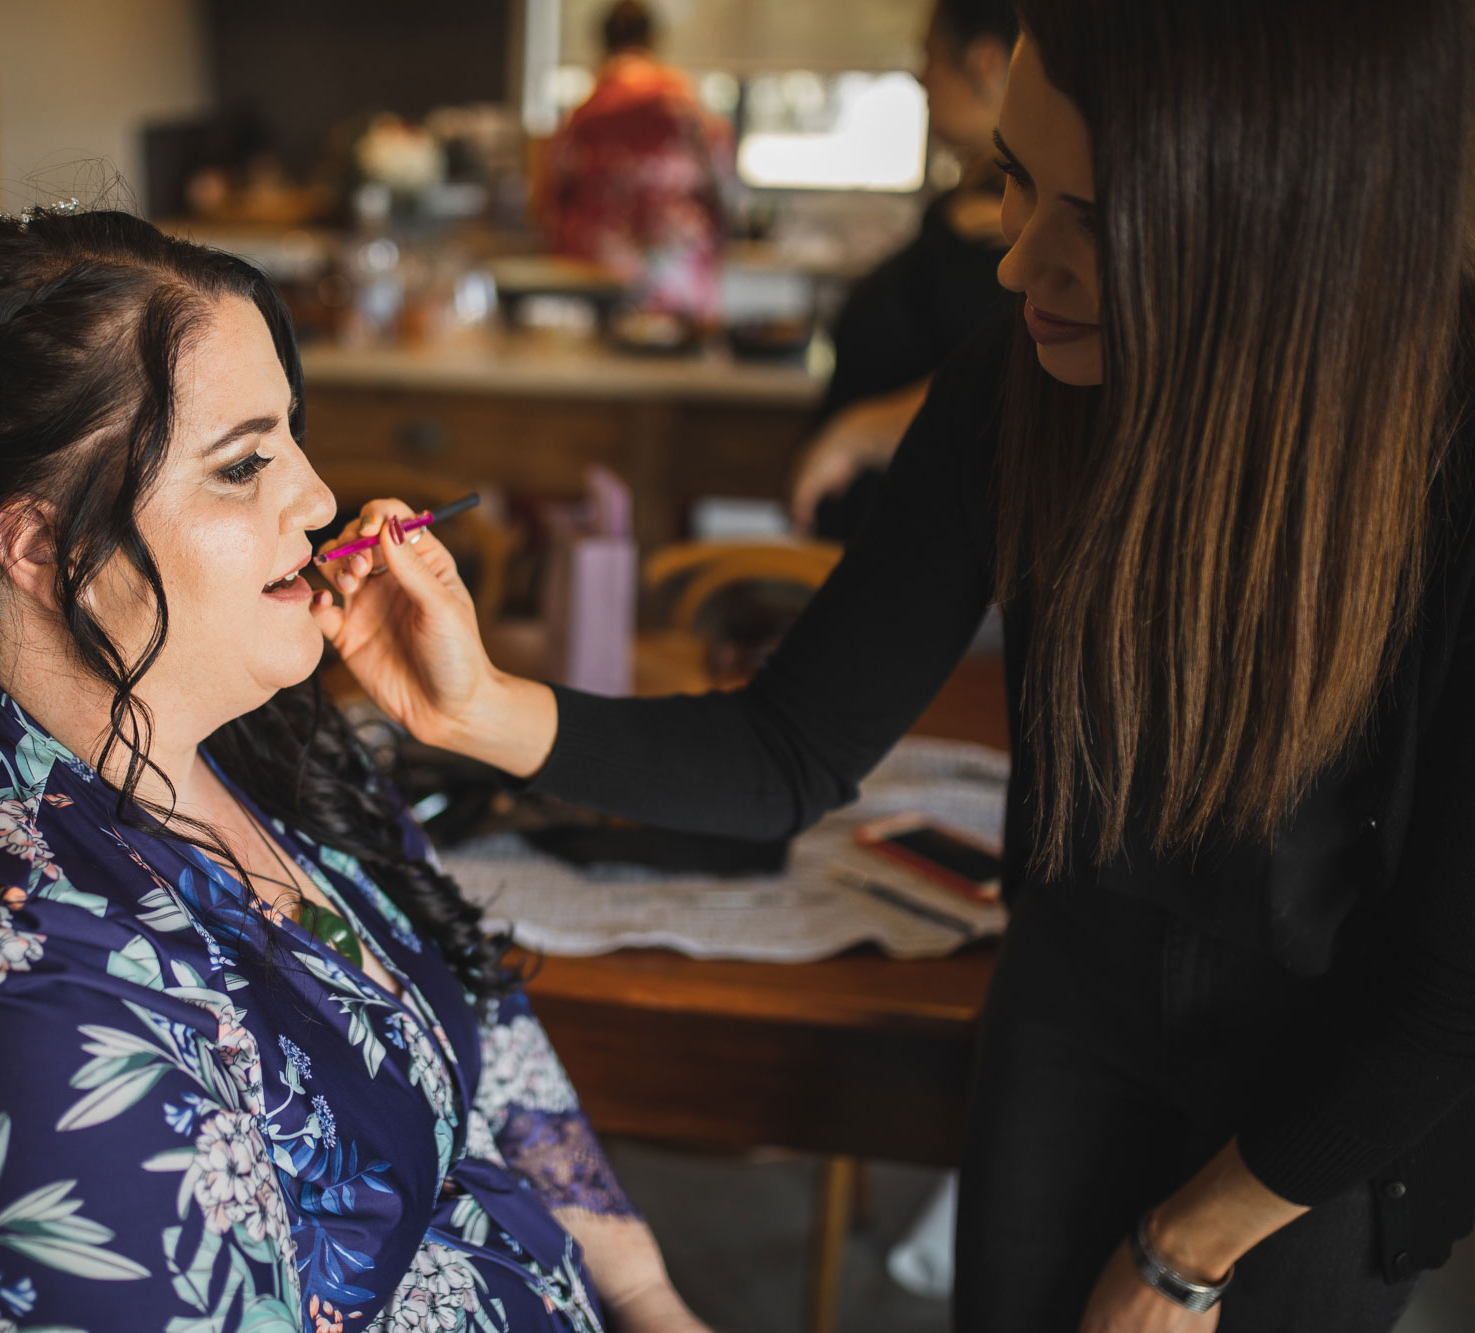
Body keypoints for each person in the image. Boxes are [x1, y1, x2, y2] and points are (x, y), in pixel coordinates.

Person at [310, 0, 1475, 1329]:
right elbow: (789, 752)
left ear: (1283, 220)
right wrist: (477, 708)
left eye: (1092, 218)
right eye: (1011, 189)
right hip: (1072, 1015)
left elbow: (1449, 986)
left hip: (1343, 1091)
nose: (1019, 264)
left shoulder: (1444, 452)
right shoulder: (1016, 388)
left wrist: (1183, 1255)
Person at [0, 206, 708, 1333]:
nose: (320, 498)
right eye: (242, 465)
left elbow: (484, 1034)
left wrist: (649, 1299)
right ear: (45, 547)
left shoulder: (253, 733)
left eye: (291, 435)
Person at [788, 0, 1017, 538]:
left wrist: (858, 432)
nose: (920, 76)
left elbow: (1014, 370)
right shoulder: (973, 204)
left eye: (930, 56)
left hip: (915, 544)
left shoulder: (1003, 224)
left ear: (984, 64)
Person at [539, 1, 733, 324]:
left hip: (601, 272)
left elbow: (554, 192)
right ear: (653, 40)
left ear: (602, 42)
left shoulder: (586, 112)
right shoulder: (685, 102)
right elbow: (721, 182)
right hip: (677, 270)